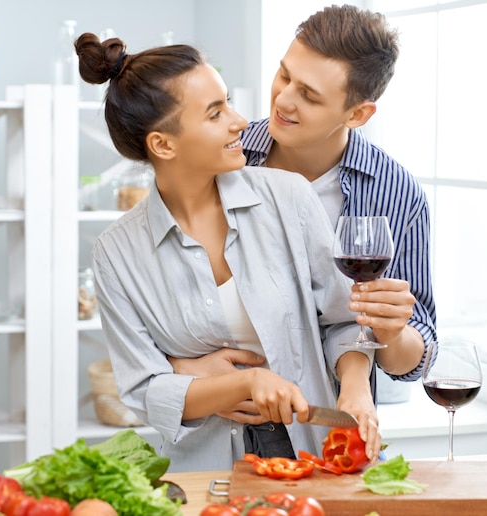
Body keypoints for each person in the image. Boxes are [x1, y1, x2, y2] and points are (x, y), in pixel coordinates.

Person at [75, 33, 380, 472]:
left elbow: (343, 319)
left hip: (318, 457)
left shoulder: (289, 198)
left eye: (228, 103)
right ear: (163, 145)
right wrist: (244, 382)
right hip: (206, 474)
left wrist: (355, 386)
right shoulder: (116, 253)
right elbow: (145, 389)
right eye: (215, 113)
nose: (239, 121)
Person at [171, 5, 437, 417]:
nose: (284, 100)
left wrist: (393, 332)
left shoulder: (395, 193)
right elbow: (153, 301)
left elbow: (411, 362)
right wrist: (185, 372)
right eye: (284, 75)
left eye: (309, 96)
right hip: (218, 428)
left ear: (358, 114)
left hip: (332, 428)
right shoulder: (221, 155)